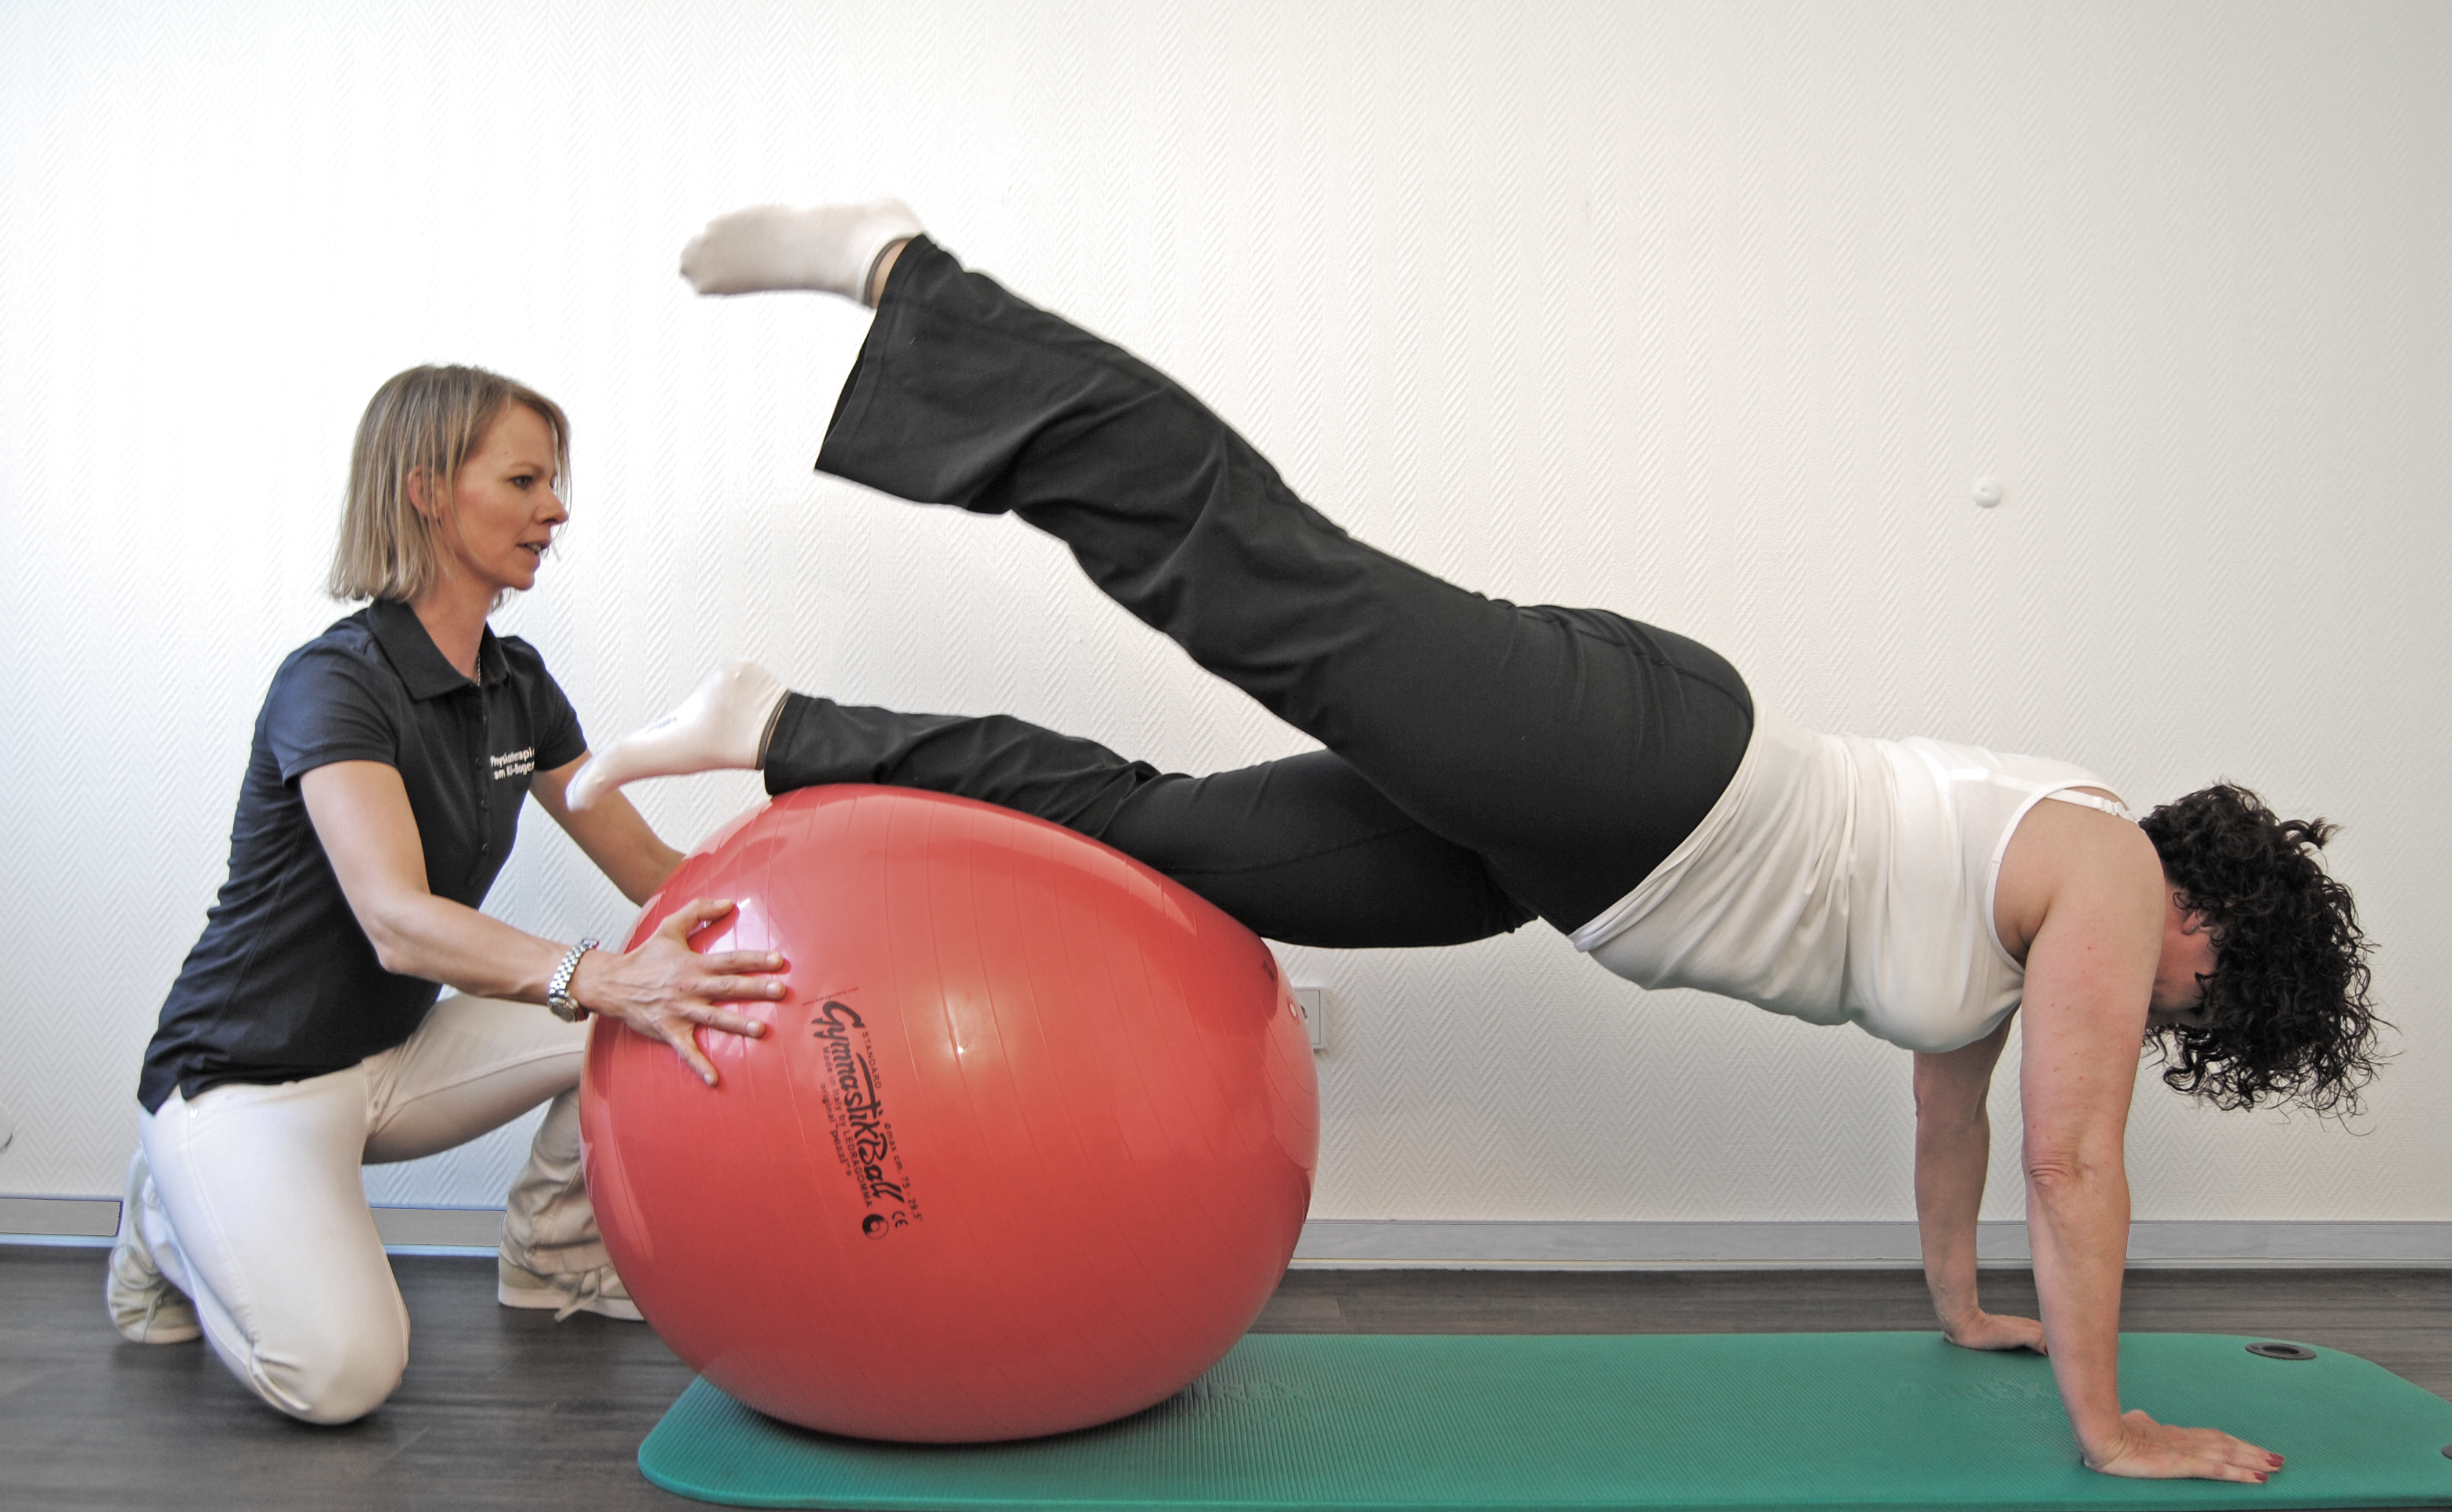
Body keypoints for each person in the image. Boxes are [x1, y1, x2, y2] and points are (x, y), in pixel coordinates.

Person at [568, 203, 2379, 1484]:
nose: (2161, 1015)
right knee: (1252, 571)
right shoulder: (2108, 876)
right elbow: (2072, 1165)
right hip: (1646, 777)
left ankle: (779, 727)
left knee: (1173, 846)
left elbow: (1955, 1123)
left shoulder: (2024, 934)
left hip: (1570, 866)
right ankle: (907, 275)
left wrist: (1965, 1313)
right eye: (2203, 994)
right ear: (2212, 916)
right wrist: (2107, 1424)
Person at [109, 365, 788, 1425]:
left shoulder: (516, 683)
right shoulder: (333, 683)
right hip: (247, 1076)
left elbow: (649, 871)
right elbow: (395, 920)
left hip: (392, 1058)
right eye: (523, 480)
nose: (554, 509)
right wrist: (598, 976)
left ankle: (552, 1260)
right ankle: (168, 1219)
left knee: (668, 1016)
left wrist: (806, 902)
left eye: (553, 483)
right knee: (341, 1381)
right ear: (427, 490)